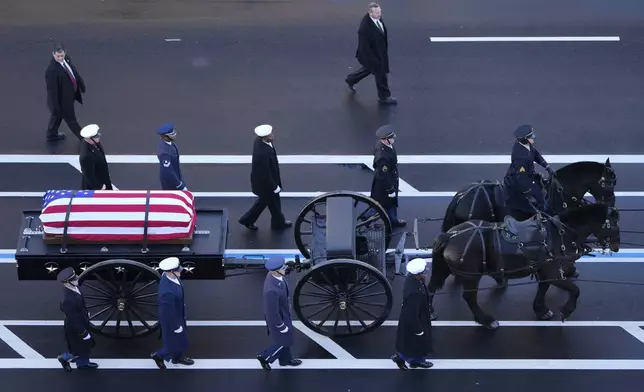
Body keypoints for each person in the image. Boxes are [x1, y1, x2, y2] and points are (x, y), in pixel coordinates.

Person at [238, 124, 292, 230]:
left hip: (266, 182)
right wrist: (274, 187)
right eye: (270, 135)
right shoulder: (263, 154)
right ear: (265, 137)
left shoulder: (260, 142)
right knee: (263, 203)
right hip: (266, 185)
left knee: (273, 203)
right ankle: (247, 220)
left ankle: (278, 222)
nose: (272, 135)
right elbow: (265, 174)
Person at [345, 3, 397, 105]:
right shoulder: (365, 29)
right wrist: (375, 61)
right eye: (377, 13)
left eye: (380, 12)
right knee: (381, 75)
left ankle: (351, 79)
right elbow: (365, 48)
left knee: (367, 70)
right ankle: (384, 97)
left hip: (378, 53)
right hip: (373, 56)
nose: (379, 14)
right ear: (370, 13)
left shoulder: (375, 18)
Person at [256, 256, 302, 371]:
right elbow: (272, 312)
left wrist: (291, 267)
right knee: (284, 341)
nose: (285, 269)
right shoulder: (271, 290)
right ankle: (264, 357)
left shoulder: (275, 276)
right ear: (275, 271)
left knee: (287, 338)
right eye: (283, 268)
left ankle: (285, 360)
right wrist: (281, 326)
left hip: (284, 313)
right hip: (279, 319)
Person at [503, 125, 555, 220]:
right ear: (525, 139)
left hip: (528, 175)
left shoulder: (526, 145)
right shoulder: (521, 157)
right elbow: (521, 178)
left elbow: (535, 154)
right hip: (520, 181)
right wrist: (529, 193)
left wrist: (547, 166)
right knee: (540, 197)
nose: (533, 137)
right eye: (531, 136)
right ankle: (542, 218)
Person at [151, 257, 194, 369]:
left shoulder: (169, 277)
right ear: (170, 272)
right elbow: (167, 313)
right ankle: (159, 355)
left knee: (180, 339)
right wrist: (175, 326)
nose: (180, 271)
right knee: (175, 342)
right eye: (177, 270)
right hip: (172, 319)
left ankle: (177, 357)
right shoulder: (167, 293)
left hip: (177, 313)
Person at [391, 258, 433, 370]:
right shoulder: (413, 292)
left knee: (415, 343)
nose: (426, 273)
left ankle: (416, 361)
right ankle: (402, 358)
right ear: (418, 275)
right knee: (414, 342)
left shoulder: (413, 279)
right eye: (424, 272)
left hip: (419, 317)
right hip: (415, 321)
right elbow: (412, 314)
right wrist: (418, 330)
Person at [56, 267, 98, 371]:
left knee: (82, 346)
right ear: (67, 282)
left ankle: (80, 362)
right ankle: (78, 363)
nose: (77, 279)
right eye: (74, 279)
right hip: (76, 327)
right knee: (80, 347)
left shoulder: (73, 288)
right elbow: (73, 318)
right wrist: (82, 332)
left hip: (81, 321)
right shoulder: (68, 300)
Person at [45, 43, 86, 141]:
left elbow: (73, 71)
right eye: (58, 56)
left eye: (62, 56)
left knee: (57, 116)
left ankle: (51, 133)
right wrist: (55, 106)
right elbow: (52, 91)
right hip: (62, 100)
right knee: (71, 119)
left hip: (69, 95)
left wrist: (80, 83)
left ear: (65, 53)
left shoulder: (67, 59)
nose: (60, 58)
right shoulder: (51, 71)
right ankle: (83, 139)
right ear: (53, 54)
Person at [369, 125, 406, 227]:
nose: (394, 137)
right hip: (384, 184)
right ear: (385, 140)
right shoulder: (382, 154)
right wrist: (390, 189)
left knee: (390, 203)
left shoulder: (386, 146)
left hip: (390, 178)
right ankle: (368, 220)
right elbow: (382, 174)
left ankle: (393, 220)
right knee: (379, 204)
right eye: (391, 137)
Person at [79, 124, 113, 190]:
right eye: (96, 136)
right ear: (90, 139)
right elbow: (89, 176)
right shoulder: (86, 156)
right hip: (95, 187)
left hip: (103, 178)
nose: (98, 137)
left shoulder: (94, 143)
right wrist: (100, 187)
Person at [156, 122, 187, 191]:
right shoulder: (164, 153)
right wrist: (179, 185)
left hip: (176, 177)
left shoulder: (170, 143)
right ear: (165, 137)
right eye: (172, 134)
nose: (175, 135)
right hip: (170, 184)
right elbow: (168, 171)